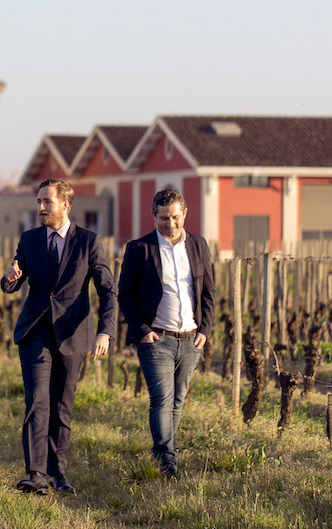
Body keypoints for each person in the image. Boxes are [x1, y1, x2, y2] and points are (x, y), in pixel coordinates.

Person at [0, 178, 117, 496]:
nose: (40, 208)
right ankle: (35, 473)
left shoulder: (89, 242)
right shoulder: (29, 239)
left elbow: (107, 290)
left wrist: (105, 331)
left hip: (73, 334)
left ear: (65, 204)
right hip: (35, 330)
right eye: (38, 202)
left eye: (46, 202)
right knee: (37, 401)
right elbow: (13, 278)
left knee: (62, 406)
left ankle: (58, 473)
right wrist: (9, 278)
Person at [118, 188, 215, 479]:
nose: (170, 224)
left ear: (184, 214)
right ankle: (165, 457)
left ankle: (166, 450)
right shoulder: (139, 248)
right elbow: (125, 295)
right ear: (153, 216)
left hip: (190, 337)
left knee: (179, 398)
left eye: (175, 217)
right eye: (163, 218)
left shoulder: (198, 245)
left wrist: (205, 330)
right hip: (156, 338)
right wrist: (141, 330)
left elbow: (209, 291)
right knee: (161, 397)